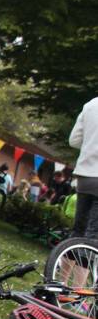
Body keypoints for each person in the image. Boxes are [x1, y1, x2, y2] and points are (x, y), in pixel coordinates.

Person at [68, 95, 98, 240]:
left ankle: (63, 262)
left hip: (85, 174)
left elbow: (73, 141)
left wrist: (89, 146)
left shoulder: (90, 105)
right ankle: (85, 263)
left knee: (78, 230)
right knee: (93, 234)